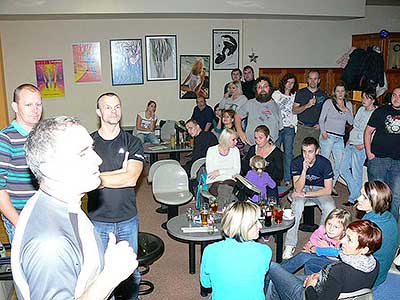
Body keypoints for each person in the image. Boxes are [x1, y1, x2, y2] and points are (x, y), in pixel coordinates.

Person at [11, 116, 138, 300]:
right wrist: (111, 276)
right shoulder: (50, 245)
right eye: (82, 153)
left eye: (92, 148)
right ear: (50, 169)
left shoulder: (61, 201)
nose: (98, 160)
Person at [88, 92, 144, 300]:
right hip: (98, 220)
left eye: (117, 106)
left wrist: (97, 177)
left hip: (127, 219)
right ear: (98, 112)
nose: (114, 111)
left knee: (131, 274)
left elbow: (131, 178)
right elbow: (84, 179)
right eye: (108, 107)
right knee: (101, 276)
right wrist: (118, 173)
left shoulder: (133, 142)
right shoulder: (88, 143)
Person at [266, 220, 382, 300]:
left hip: (308, 295)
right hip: (326, 285)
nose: (342, 241)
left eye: (349, 240)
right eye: (345, 235)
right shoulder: (374, 264)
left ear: (364, 249)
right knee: (276, 282)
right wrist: (322, 276)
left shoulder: (338, 271)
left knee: (273, 267)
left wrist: (310, 286)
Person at [200, 201, 272, 300]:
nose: (260, 226)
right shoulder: (265, 251)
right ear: (243, 226)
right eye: (256, 222)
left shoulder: (210, 251)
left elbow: (206, 284)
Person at [0, 84, 42, 242]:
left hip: (44, 216)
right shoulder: (5, 138)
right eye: (28, 104)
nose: (35, 109)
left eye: (38, 104)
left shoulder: (42, 136)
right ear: (15, 107)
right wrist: (19, 223)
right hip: (20, 218)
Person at [283, 137, 336, 259]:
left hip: (320, 190)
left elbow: (328, 190)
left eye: (310, 151)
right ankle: (290, 245)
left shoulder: (325, 163)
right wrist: (304, 170)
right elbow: (298, 188)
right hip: (303, 187)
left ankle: (320, 239)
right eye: (304, 151)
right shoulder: (297, 162)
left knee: (330, 207)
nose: (306, 155)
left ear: (317, 151)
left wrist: (305, 195)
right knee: (297, 206)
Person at [365, 86, 400, 221]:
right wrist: (369, 153)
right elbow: (368, 131)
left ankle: (390, 229)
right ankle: (374, 229)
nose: (397, 98)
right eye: (395, 95)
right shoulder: (381, 111)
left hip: (398, 162)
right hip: (378, 159)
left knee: (395, 197)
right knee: (376, 196)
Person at [281, 208, 351, 275]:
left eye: (336, 227)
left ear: (344, 230)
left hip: (335, 263)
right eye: (329, 224)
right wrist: (311, 246)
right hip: (321, 252)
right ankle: (308, 281)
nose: (330, 229)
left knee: (305, 257)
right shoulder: (322, 229)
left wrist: (324, 249)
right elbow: (314, 238)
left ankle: (278, 271)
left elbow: (339, 258)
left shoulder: (345, 241)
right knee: (305, 258)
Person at [356, 180, 398, 287]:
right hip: (382, 272)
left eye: (364, 197)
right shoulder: (389, 216)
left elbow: (350, 253)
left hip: (368, 278)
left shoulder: (369, 226)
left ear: (376, 201)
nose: (358, 199)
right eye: (361, 194)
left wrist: (322, 248)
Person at [340, 90, 377, 206]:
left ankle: (353, 198)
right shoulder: (361, 109)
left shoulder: (375, 113)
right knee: (343, 168)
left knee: (357, 172)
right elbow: (354, 126)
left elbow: (373, 133)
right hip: (351, 142)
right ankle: (356, 192)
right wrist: (348, 141)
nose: (364, 100)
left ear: (373, 100)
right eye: (363, 97)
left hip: (361, 146)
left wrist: (364, 146)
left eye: (367, 98)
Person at [318, 82, 353, 194]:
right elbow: (321, 119)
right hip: (327, 135)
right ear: (334, 92)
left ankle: (330, 186)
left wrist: (347, 111)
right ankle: (319, 185)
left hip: (339, 138)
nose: (340, 93)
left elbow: (351, 122)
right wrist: (323, 132)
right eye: (338, 91)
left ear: (345, 92)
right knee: (324, 161)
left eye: (342, 91)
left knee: (340, 163)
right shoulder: (329, 102)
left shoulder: (348, 104)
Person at [235, 76, 283, 145]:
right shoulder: (250, 103)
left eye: (265, 86)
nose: (262, 89)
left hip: (271, 146)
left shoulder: (275, 105)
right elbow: (237, 116)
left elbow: (280, 128)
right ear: (256, 90)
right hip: (252, 145)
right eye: (259, 87)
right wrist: (240, 133)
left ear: (270, 88)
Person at [242, 125, 283, 199]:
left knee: (270, 198)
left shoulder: (276, 152)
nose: (258, 140)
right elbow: (244, 167)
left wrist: (263, 175)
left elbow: (279, 175)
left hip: (269, 182)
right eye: (256, 138)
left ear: (267, 138)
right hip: (253, 181)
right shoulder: (252, 149)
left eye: (260, 138)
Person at [292, 70, 328, 156]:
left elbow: (327, 113)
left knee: (314, 155)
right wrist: (307, 105)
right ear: (307, 80)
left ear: (319, 80)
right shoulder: (301, 93)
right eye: (311, 79)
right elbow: (294, 110)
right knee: (297, 153)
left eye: (315, 79)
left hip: (316, 130)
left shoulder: (323, 95)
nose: (312, 81)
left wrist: (321, 124)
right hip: (302, 128)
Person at [272, 73, 298, 186]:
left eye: (292, 82)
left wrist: (294, 124)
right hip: (277, 127)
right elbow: (271, 110)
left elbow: (296, 111)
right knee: (275, 152)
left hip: (289, 128)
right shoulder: (276, 94)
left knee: (288, 153)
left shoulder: (295, 95)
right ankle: (274, 176)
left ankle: (288, 178)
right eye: (288, 82)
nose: (290, 84)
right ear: (284, 82)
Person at [206, 128, 240, 207]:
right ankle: (230, 207)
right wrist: (229, 173)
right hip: (214, 182)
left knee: (226, 186)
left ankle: (220, 209)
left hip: (230, 182)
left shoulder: (235, 150)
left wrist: (219, 172)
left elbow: (236, 171)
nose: (236, 142)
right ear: (226, 140)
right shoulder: (212, 150)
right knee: (227, 191)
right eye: (233, 140)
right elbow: (210, 171)